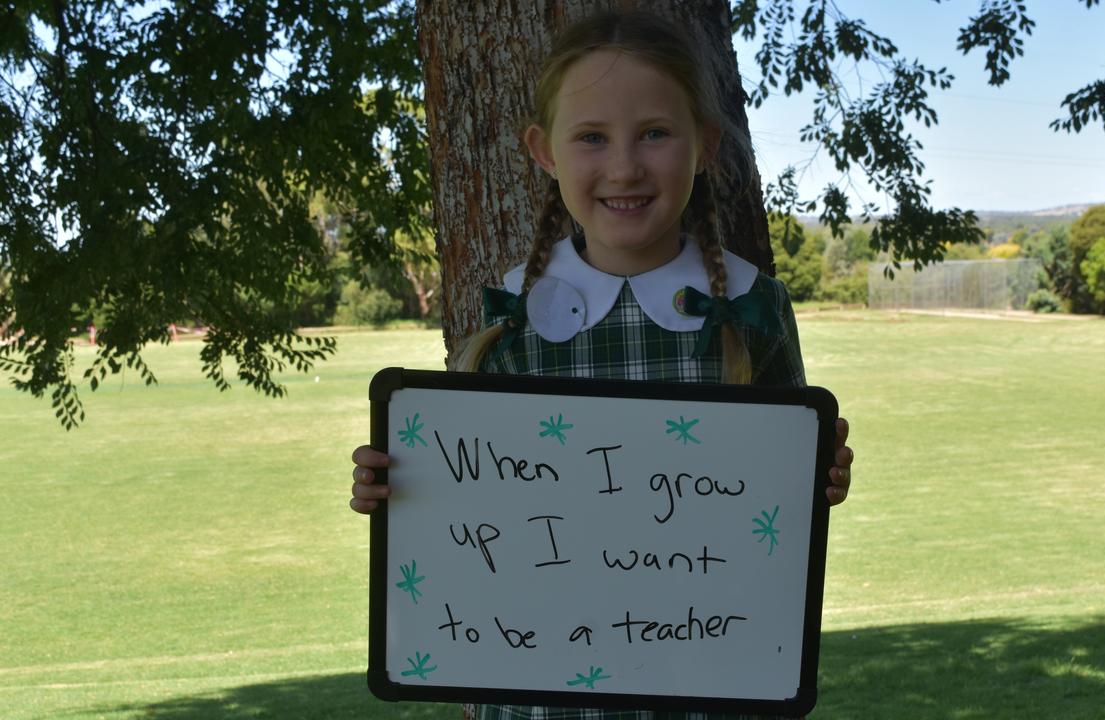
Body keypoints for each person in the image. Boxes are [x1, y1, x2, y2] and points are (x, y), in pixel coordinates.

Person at [350, 11, 853, 720]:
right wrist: (398, 492)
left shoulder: (749, 308)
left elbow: (778, 514)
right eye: (591, 137)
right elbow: (469, 519)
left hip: (704, 687)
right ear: (544, 151)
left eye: (655, 132)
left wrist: (819, 475)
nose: (624, 167)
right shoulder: (513, 322)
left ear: (705, 145)